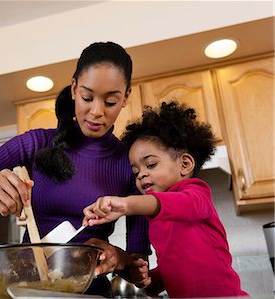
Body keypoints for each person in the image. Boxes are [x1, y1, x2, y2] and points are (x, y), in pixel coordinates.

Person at [0, 41, 151, 295]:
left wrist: (118, 258)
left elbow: (140, 270)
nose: (96, 112)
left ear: (126, 98)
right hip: (28, 288)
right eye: (87, 97)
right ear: (73, 89)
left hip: (91, 291)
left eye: (110, 102)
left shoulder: (129, 162)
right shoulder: (35, 143)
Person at [83, 101, 249, 298]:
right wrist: (148, 279)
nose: (141, 175)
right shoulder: (157, 220)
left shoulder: (196, 194)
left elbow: (169, 204)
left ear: (185, 164)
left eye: (150, 165)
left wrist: (126, 203)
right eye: (136, 171)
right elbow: (173, 268)